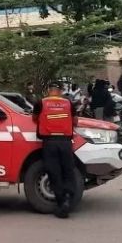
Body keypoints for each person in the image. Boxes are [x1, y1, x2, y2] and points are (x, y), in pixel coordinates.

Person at [32, 83, 77, 219]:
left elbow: (34, 118)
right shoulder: (68, 103)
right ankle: (68, 197)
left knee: (54, 172)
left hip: (49, 142)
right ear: (60, 91)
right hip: (65, 142)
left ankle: (61, 202)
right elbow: (75, 121)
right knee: (68, 170)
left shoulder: (41, 102)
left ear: (49, 91)